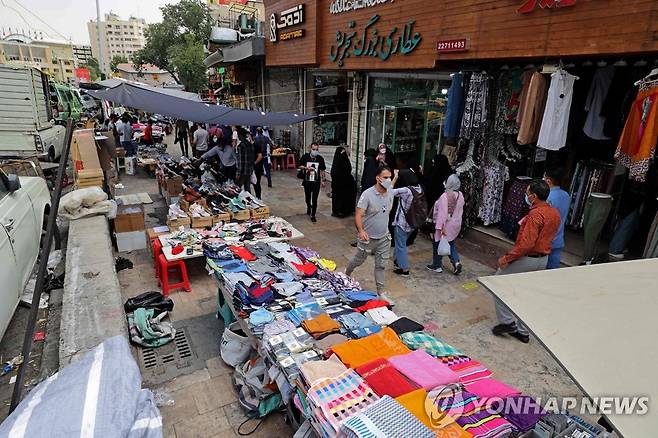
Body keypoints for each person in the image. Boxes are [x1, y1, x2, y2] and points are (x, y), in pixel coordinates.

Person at [492, 180, 561, 344]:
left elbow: (526, 244)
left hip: (528, 258)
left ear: (534, 196)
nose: (526, 196)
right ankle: (523, 331)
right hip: (543, 259)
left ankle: (507, 322)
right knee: (526, 294)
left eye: (528, 193)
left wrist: (507, 258)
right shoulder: (554, 213)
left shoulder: (535, 215)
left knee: (496, 284)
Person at [346, 167, 398, 301]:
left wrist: (395, 177)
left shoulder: (390, 192)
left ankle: (381, 293)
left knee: (381, 265)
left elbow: (392, 185)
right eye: (385, 177)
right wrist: (361, 231)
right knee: (358, 260)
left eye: (390, 177)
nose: (388, 180)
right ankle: (347, 273)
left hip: (384, 238)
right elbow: (358, 214)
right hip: (367, 238)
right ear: (378, 178)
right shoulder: (367, 195)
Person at [427, 174, 464, 274]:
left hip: (445, 225)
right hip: (456, 224)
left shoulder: (445, 196)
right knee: (450, 243)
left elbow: (442, 214)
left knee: (437, 243)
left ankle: (437, 265)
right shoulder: (460, 195)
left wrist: (439, 227)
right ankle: (456, 263)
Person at [391, 169, 423, 276]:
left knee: (401, 245)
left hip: (403, 222)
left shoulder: (406, 190)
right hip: (413, 222)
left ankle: (404, 269)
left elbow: (388, 192)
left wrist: (395, 178)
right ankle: (397, 261)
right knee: (401, 242)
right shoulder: (419, 188)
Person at [544, 167, 570, 269]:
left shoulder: (547, 197)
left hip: (546, 240)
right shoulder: (566, 195)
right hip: (558, 239)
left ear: (548, 180)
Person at [298, 143, 326, 223]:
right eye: (313, 149)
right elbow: (299, 165)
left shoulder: (320, 158)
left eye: (317, 150)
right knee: (307, 197)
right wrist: (306, 168)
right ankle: (308, 206)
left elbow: (322, 170)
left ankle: (313, 215)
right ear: (310, 149)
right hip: (307, 181)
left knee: (314, 199)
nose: (315, 151)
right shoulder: (305, 157)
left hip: (316, 181)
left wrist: (323, 180)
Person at [330, 146, 356, 218]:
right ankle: (341, 211)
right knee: (341, 198)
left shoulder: (337, 161)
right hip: (343, 184)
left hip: (339, 184)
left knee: (338, 198)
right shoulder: (343, 161)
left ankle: (337, 211)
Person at [235, 127, 255, 193]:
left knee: (237, 189)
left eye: (238, 135)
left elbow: (241, 161)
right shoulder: (250, 144)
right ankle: (249, 200)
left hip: (243, 172)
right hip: (249, 170)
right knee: (247, 189)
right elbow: (252, 158)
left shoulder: (240, 146)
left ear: (240, 135)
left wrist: (238, 173)